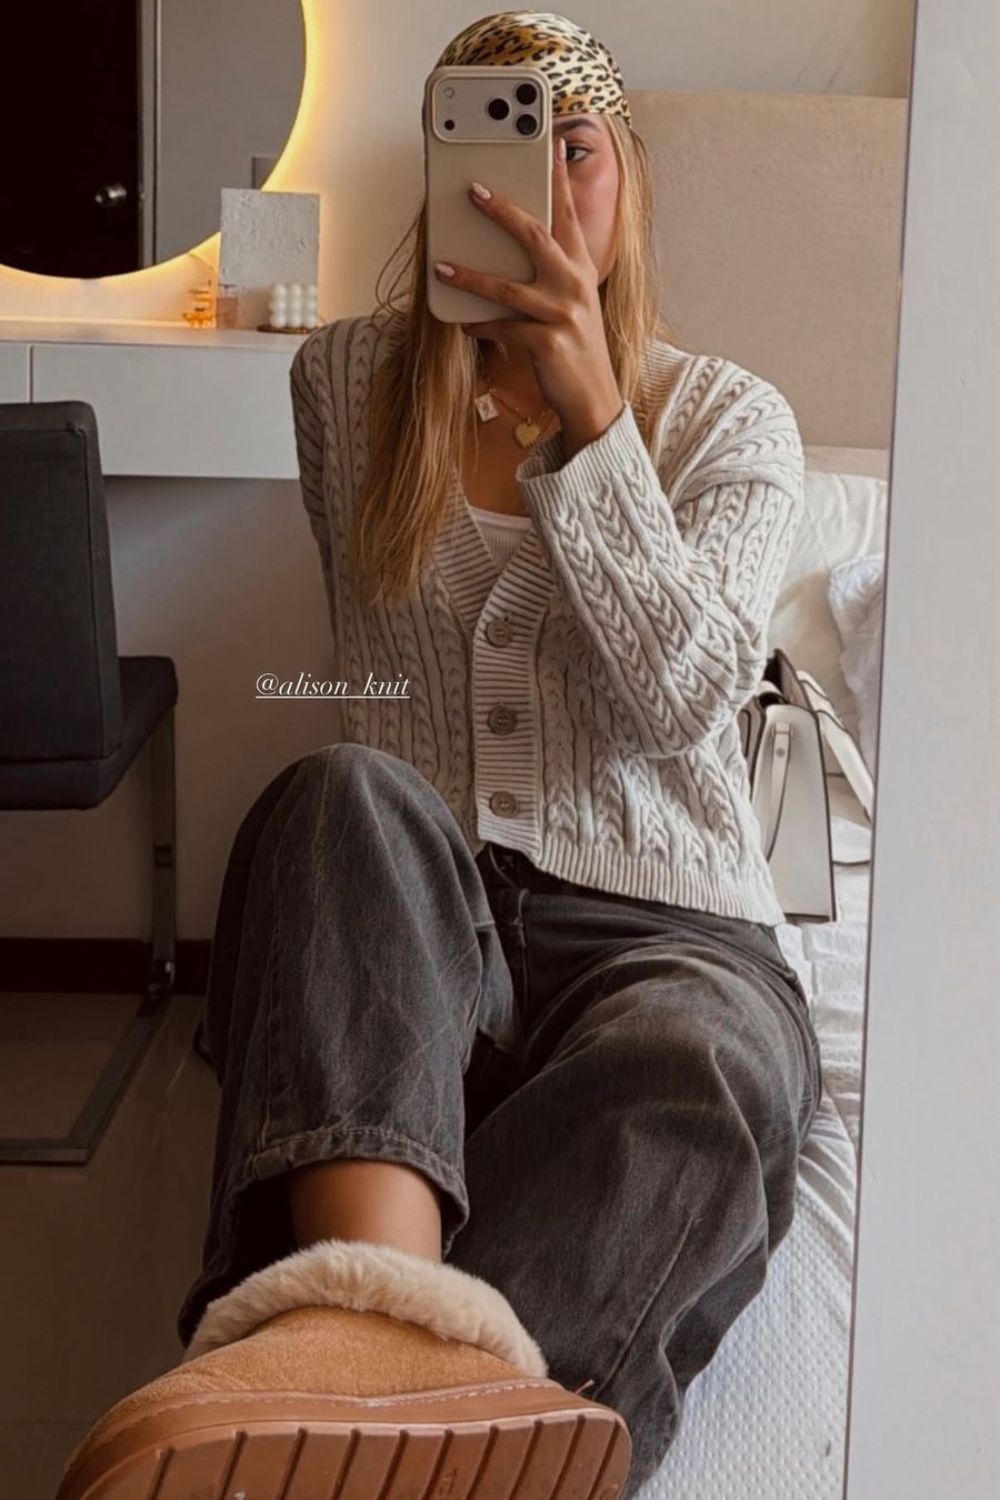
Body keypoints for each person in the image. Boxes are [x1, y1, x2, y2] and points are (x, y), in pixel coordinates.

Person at [57, 13, 823, 1500]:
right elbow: (387, 684)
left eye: (573, 151)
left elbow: (682, 702)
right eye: (483, 150)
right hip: (424, 895)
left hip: (668, 924)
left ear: (634, 176)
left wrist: (593, 419)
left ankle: (364, 1392)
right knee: (338, 793)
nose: (532, 193)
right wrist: (486, 371)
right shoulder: (347, 388)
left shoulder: (733, 421)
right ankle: (396, 1366)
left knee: (702, 1064)